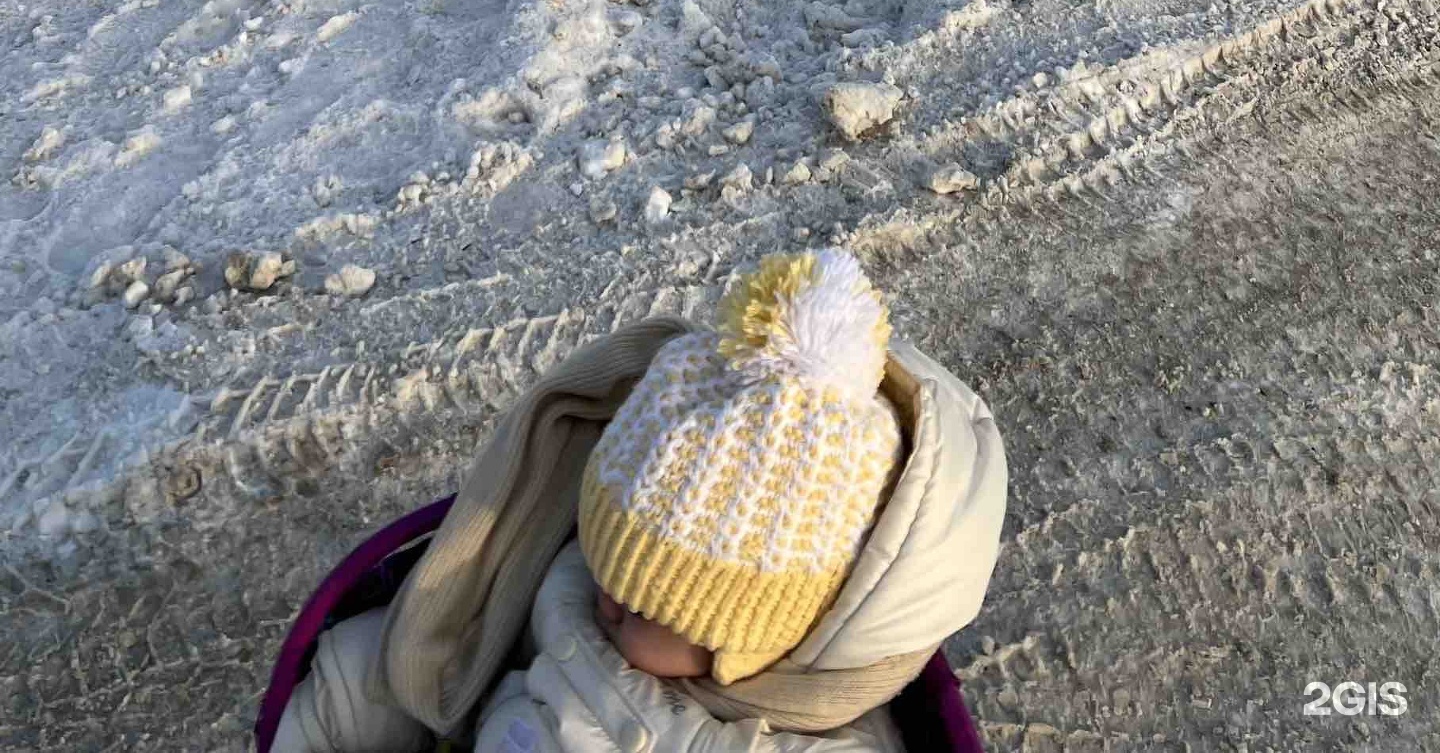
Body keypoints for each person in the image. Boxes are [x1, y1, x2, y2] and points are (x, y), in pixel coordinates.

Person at [276, 249, 1006, 752]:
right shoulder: (561, 593)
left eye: (646, 602)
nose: (607, 601)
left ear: (744, 641)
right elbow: (370, 677)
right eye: (605, 564)